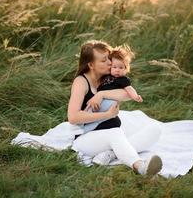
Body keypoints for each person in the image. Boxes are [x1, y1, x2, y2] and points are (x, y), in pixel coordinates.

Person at [68, 40, 162, 176]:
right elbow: (73, 117)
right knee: (115, 133)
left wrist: (101, 94)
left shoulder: (108, 77)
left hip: (107, 132)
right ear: (91, 64)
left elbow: (127, 94)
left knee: (155, 130)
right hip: (85, 138)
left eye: (109, 58)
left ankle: (111, 154)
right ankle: (140, 166)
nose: (110, 63)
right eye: (104, 60)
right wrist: (107, 115)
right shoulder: (81, 82)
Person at [83, 45, 143, 132]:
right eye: (114, 67)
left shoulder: (123, 79)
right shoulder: (107, 75)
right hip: (100, 99)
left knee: (100, 117)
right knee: (90, 108)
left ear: (126, 69)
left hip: (109, 101)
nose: (117, 70)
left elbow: (129, 89)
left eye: (121, 68)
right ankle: (83, 123)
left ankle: (87, 128)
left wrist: (136, 96)